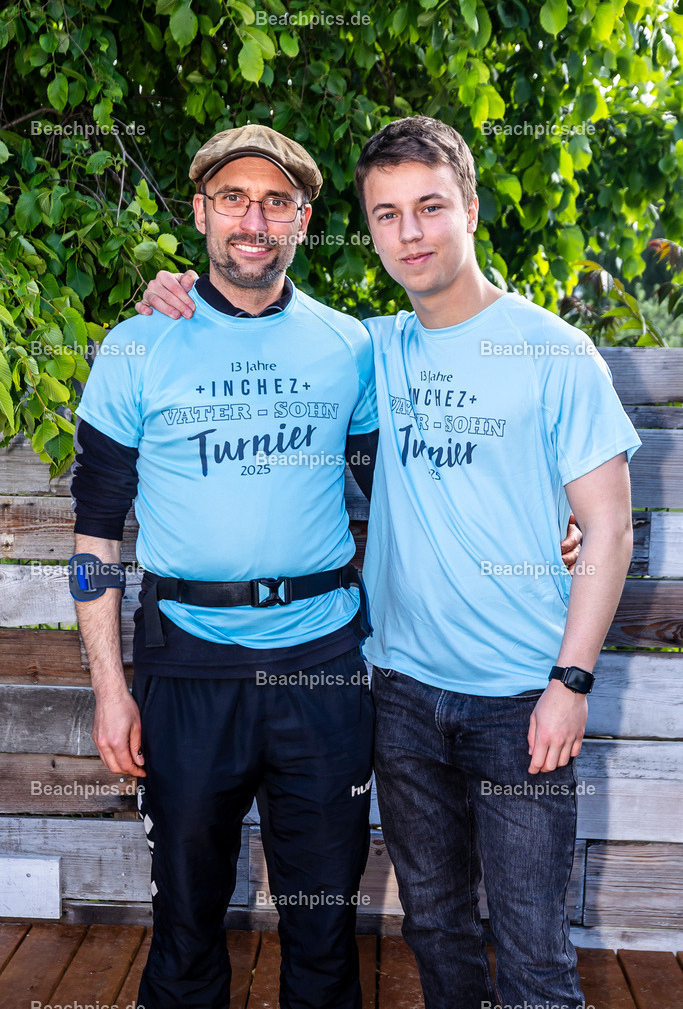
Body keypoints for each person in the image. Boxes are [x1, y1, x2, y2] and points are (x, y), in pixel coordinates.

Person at [139, 116, 639, 1009]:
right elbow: (261, 320)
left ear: (471, 209)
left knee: (531, 953)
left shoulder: (555, 352)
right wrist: (171, 294)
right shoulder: (368, 348)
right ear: (367, 229)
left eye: (429, 207)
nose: (409, 233)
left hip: (521, 697)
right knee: (435, 929)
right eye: (386, 215)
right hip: (399, 691)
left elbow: (607, 530)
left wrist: (570, 679)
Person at [70, 125, 379, 1009]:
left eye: (276, 201)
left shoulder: (348, 345)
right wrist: (109, 688)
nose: (256, 217)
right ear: (201, 212)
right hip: (188, 665)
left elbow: (396, 499)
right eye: (235, 198)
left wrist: (552, 526)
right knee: (187, 921)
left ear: (303, 221)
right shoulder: (139, 346)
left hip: (321, 669)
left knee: (323, 928)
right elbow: (95, 532)